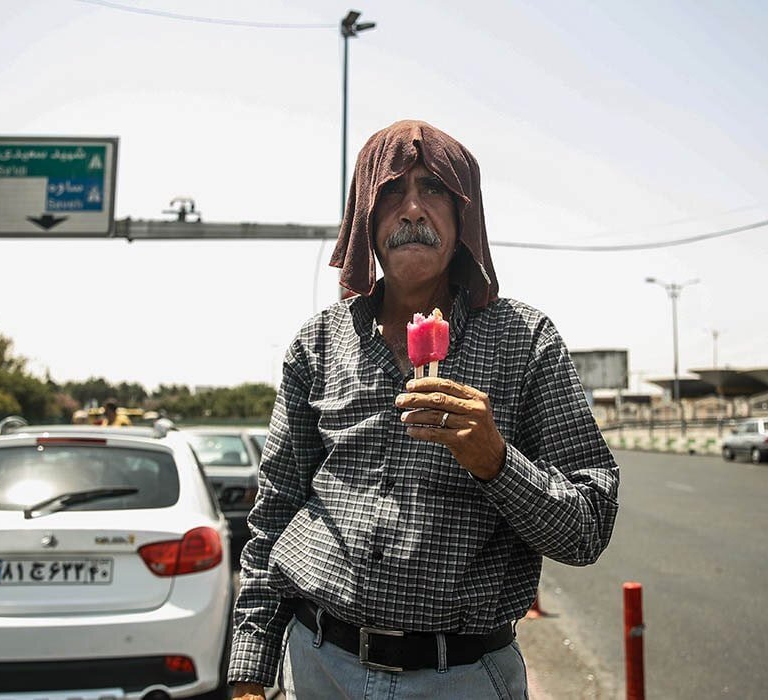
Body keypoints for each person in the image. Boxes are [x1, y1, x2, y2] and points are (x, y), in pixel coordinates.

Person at [228, 120, 619, 699]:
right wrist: (249, 673)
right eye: (390, 190)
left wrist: (495, 460)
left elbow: (587, 530)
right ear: (365, 216)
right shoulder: (318, 344)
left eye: (433, 188)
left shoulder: (524, 341)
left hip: (463, 677)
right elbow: (274, 511)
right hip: (320, 665)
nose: (412, 208)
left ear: (465, 218)